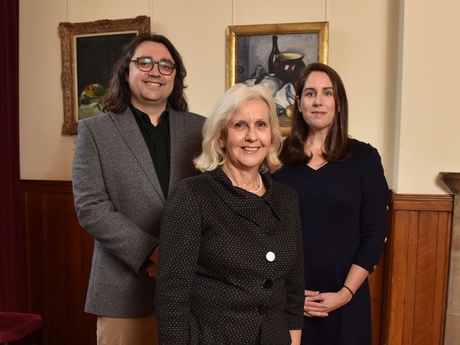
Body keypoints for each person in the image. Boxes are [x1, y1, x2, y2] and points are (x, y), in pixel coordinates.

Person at [72, 33, 206, 345]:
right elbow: (90, 207)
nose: (155, 71)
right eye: (144, 62)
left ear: (175, 76)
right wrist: (152, 252)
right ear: (126, 71)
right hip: (123, 290)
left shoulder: (202, 129)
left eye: (165, 65)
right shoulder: (94, 131)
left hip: (193, 286)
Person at [154, 83, 305, 345]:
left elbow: (293, 286)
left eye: (261, 124)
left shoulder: (286, 198)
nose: (252, 136)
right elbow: (171, 296)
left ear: (271, 134)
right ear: (221, 136)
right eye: (239, 125)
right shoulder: (192, 195)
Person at [273, 62, 389, 345]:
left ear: (338, 104)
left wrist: (345, 293)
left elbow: (374, 234)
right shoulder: (275, 160)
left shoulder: (364, 158)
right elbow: (263, 235)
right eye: (310, 93)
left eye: (327, 93)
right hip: (286, 300)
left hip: (347, 300)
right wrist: (285, 294)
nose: (318, 101)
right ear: (298, 104)